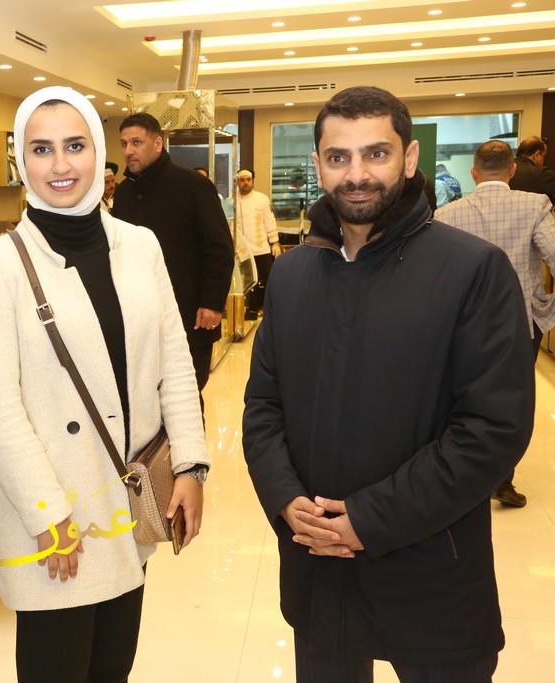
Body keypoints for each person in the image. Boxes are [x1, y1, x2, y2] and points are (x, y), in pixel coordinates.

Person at [243, 85, 534, 681]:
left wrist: (368, 519)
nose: (357, 175)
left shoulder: (473, 269)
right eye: (338, 157)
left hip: (431, 576)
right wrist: (285, 499)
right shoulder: (293, 275)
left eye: (375, 154)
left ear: (409, 157)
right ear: (318, 164)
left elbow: (492, 430)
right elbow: (264, 406)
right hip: (319, 573)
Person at [0, 86, 209, 683]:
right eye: (41, 149)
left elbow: (175, 363)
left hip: (127, 502)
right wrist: (47, 512)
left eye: (75, 145)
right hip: (55, 516)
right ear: (22, 161)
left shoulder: (140, 245)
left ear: (99, 153)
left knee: (112, 668)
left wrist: (191, 465)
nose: (61, 164)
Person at [436, 139, 555, 508]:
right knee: (511, 402)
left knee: (462, 395)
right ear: (512, 170)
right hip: (521, 321)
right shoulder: (535, 205)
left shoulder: (447, 215)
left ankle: (463, 476)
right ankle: (502, 479)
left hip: (465, 322)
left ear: (474, 174)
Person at [113, 112, 234, 401]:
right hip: (140, 316)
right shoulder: (124, 192)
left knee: (186, 395)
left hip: (190, 313)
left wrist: (211, 302)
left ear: (158, 143)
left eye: (136, 142)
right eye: (124, 144)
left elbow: (219, 248)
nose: (129, 150)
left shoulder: (192, 185)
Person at [234, 169, 281, 319]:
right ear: (237, 182)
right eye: (242, 180)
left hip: (261, 247)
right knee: (248, 282)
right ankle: (251, 311)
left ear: (253, 181)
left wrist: (275, 242)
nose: (246, 183)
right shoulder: (232, 201)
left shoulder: (262, 199)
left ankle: (273, 309)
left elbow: (269, 221)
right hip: (242, 250)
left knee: (270, 279)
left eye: (248, 179)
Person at [509, 136, 555, 203]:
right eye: (543, 156)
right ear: (536, 155)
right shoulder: (541, 173)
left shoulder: (505, 169)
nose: (543, 161)